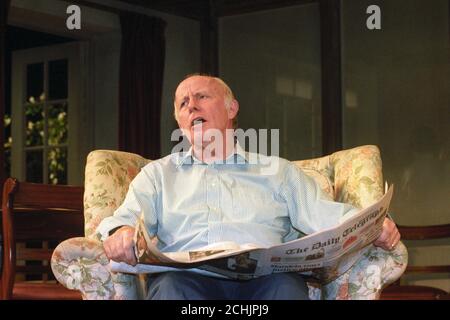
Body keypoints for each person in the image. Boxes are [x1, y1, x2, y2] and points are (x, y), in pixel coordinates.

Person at [96, 74, 400, 300]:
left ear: (231, 109)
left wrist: (374, 225)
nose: (191, 106)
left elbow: (326, 216)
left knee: (287, 290)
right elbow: (124, 221)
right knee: (171, 290)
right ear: (179, 121)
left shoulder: (278, 171)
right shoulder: (157, 175)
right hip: (186, 282)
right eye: (183, 103)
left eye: (202, 97)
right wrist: (118, 234)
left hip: (267, 283)